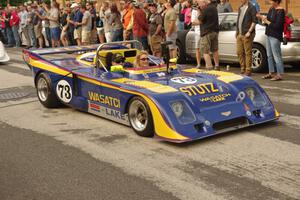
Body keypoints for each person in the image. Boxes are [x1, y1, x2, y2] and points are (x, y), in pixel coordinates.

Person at [260, 0, 285, 81]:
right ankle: (271, 73)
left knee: (276, 56)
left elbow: (278, 26)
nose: (270, 2)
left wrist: (267, 21)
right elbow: (268, 21)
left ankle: (279, 74)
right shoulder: (271, 9)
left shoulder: (281, 11)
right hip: (268, 34)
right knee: (269, 55)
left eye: (271, 1)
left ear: (277, 1)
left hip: (275, 36)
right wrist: (263, 19)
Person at [236, 0, 257, 76]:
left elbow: (254, 21)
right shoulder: (240, 7)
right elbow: (238, 21)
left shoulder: (252, 7)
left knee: (248, 52)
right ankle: (243, 68)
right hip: (240, 34)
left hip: (247, 34)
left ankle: (248, 70)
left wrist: (249, 31)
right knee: (239, 52)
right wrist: (237, 32)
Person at [197, 0, 219, 70]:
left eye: (199, 4)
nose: (199, 5)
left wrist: (193, 22)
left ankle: (210, 68)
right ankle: (217, 66)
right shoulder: (214, 7)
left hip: (206, 32)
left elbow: (200, 20)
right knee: (215, 50)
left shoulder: (206, 9)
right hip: (215, 32)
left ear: (204, 2)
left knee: (205, 51)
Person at [191, 3, 201, 68]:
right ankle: (199, 64)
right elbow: (193, 22)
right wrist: (201, 21)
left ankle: (208, 64)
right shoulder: (194, 11)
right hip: (198, 32)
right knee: (197, 48)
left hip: (205, 31)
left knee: (206, 49)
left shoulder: (205, 9)